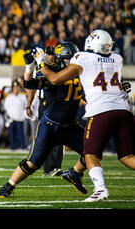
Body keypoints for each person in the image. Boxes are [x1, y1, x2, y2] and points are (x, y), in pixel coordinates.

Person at [36, 30, 135, 202]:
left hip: (101, 110)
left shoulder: (82, 58)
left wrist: (41, 64)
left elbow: (55, 79)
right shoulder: (117, 59)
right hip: (124, 109)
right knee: (127, 156)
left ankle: (100, 189)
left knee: (90, 154)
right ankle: (74, 173)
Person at [0, 42, 88, 198]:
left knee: (92, 152)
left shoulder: (81, 73)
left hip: (71, 126)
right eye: (68, 59)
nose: (71, 61)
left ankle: (74, 173)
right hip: (50, 126)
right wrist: (29, 67)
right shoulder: (50, 71)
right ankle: (9, 185)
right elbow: (29, 83)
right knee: (33, 163)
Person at [4, 81, 27, 150]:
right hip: (12, 119)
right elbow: (6, 107)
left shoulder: (23, 97)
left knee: (21, 134)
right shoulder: (9, 97)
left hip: (20, 119)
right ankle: (13, 147)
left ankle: (23, 146)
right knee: (12, 134)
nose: (16, 89)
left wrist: (23, 116)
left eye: (17, 88)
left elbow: (26, 107)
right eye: (14, 88)